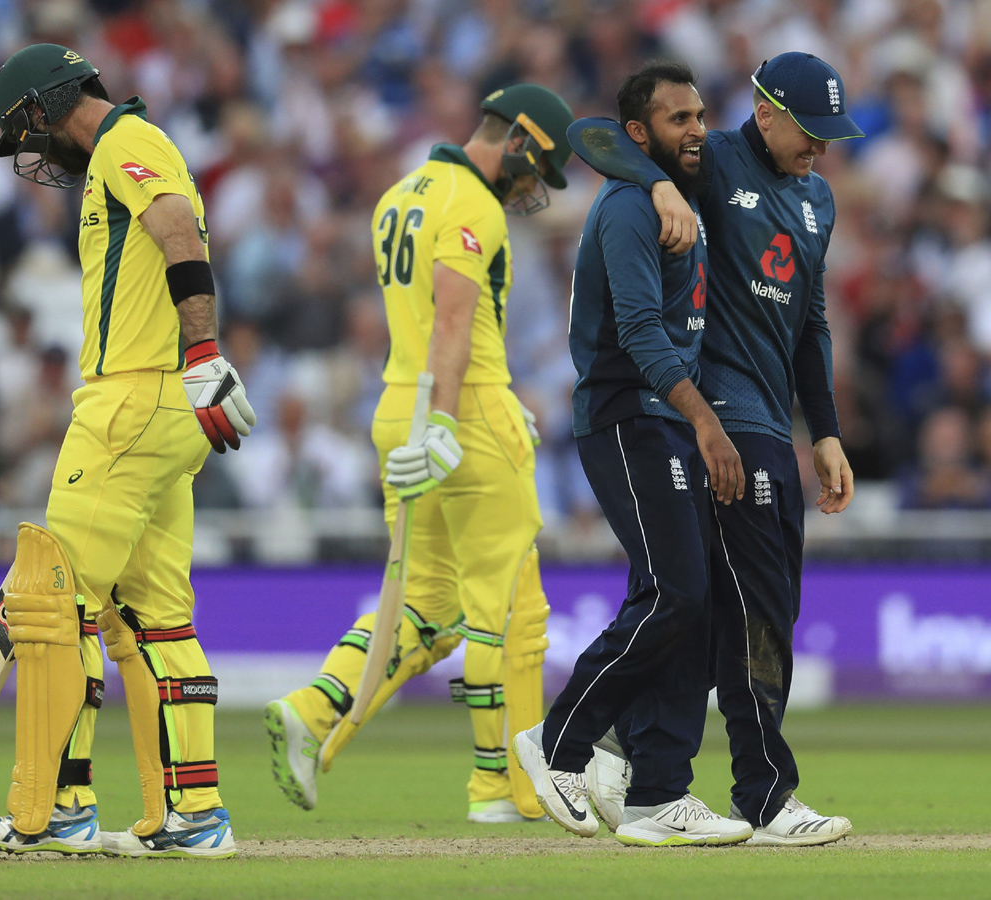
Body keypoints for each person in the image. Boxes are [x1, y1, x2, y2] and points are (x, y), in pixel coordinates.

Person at [0, 43, 255, 858]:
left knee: (57, 602)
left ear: (47, 105)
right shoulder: (133, 149)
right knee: (158, 619)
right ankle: (194, 816)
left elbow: (178, 231)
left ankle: (55, 806)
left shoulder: (127, 144)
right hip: (166, 414)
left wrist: (203, 353)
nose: (30, 150)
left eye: (25, 130)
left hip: (130, 400)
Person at [264, 84, 573, 824]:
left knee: (427, 602)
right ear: (521, 139)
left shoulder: (400, 194)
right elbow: (453, 320)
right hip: (463, 407)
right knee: (510, 608)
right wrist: (445, 422)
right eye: (539, 168)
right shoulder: (474, 203)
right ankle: (509, 787)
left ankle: (313, 709)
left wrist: (423, 421)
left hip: (396, 408)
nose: (535, 188)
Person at [574, 51, 858, 846]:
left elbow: (811, 326)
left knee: (755, 611)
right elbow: (593, 133)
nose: (822, 148)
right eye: (811, 131)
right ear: (765, 112)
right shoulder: (711, 156)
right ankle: (764, 796)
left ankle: (626, 744)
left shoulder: (817, 201)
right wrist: (659, 182)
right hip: (723, 421)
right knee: (747, 612)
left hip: (776, 424)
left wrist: (827, 430)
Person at [512, 61, 754, 847]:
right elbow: (643, 334)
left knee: (695, 600)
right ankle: (559, 745)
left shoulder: (678, 182)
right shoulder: (626, 207)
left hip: (667, 418)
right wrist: (707, 423)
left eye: (699, 115)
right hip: (627, 413)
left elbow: (602, 138)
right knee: (674, 594)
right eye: (677, 119)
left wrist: (662, 179)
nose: (697, 130)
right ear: (641, 134)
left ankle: (657, 794)